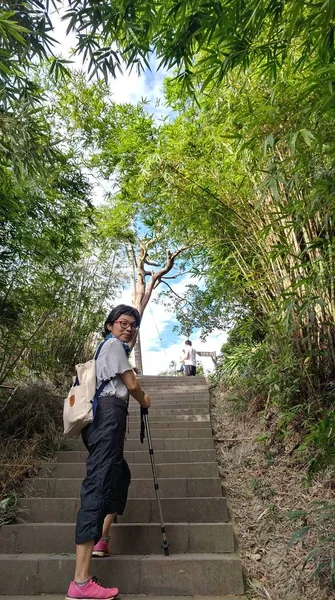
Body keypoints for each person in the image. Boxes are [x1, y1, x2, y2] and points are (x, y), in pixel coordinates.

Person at [66, 304, 151, 600]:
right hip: (107, 418)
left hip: (105, 419)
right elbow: (132, 384)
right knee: (99, 484)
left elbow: (120, 378)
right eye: (123, 323)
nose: (128, 328)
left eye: (132, 326)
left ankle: (102, 538)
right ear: (111, 325)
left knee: (119, 475)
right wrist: (144, 399)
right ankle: (80, 582)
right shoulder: (114, 345)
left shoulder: (110, 349)